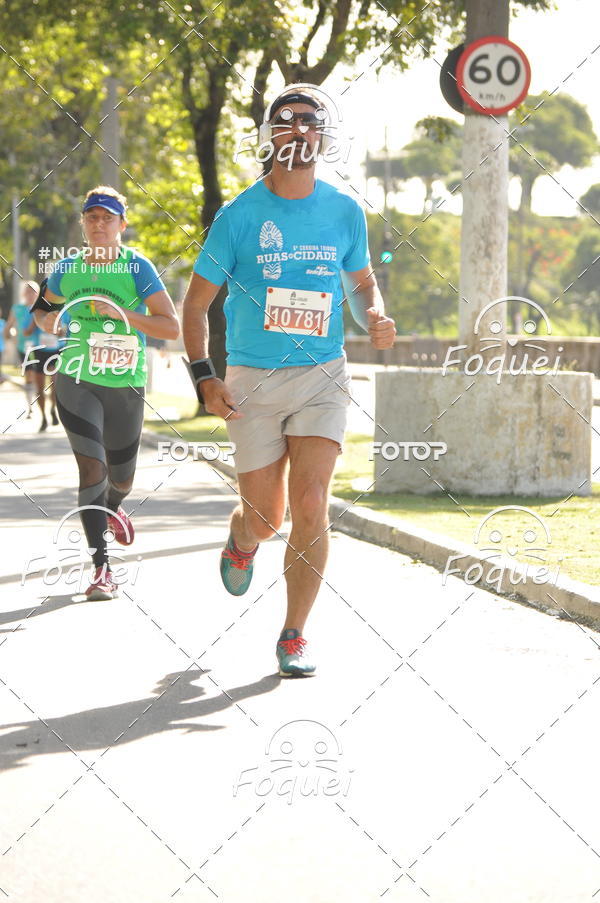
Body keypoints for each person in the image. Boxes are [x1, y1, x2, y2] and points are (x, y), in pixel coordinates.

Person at [182, 84, 396, 677]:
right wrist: (204, 377)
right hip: (252, 377)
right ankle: (243, 536)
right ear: (270, 135)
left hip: (323, 373)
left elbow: (359, 287)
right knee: (269, 515)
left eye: (309, 120)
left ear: (322, 137)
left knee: (310, 503)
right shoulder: (239, 215)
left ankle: (294, 633)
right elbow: (196, 305)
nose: (298, 129)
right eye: (286, 120)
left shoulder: (344, 210)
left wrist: (372, 316)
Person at [32, 185, 180, 600]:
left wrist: (125, 314)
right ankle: (102, 570)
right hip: (76, 377)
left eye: (107, 218)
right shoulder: (67, 268)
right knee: (91, 468)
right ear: (83, 224)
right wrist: (49, 322)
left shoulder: (137, 268)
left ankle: (113, 508)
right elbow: (41, 309)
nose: (99, 224)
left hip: (125, 383)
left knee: (122, 478)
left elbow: (170, 327)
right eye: (91, 217)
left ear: (122, 225)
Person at [4, 281, 39, 416]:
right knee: (28, 375)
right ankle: (30, 406)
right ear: (23, 293)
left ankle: (37, 399)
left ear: (37, 293)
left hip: (39, 347)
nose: (30, 294)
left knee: (37, 375)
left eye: (33, 291)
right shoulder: (17, 308)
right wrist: (8, 333)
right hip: (22, 347)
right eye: (28, 291)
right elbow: (9, 325)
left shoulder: (39, 308)